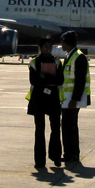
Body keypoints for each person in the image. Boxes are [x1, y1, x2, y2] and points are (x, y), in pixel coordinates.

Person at [26, 37, 64, 169]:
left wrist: (44, 76)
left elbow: (60, 80)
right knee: (39, 130)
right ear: (40, 47)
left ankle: (56, 157)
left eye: (50, 46)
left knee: (55, 129)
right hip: (39, 99)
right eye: (46, 46)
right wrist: (49, 78)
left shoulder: (58, 62)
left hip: (53, 98)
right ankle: (39, 161)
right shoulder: (34, 62)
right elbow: (34, 81)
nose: (48, 48)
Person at [59, 31, 91, 167]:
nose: (61, 45)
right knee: (67, 126)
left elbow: (80, 80)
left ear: (67, 42)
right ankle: (69, 153)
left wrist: (75, 99)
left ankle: (72, 154)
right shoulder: (70, 56)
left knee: (70, 127)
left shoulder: (78, 57)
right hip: (67, 99)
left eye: (62, 42)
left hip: (72, 99)